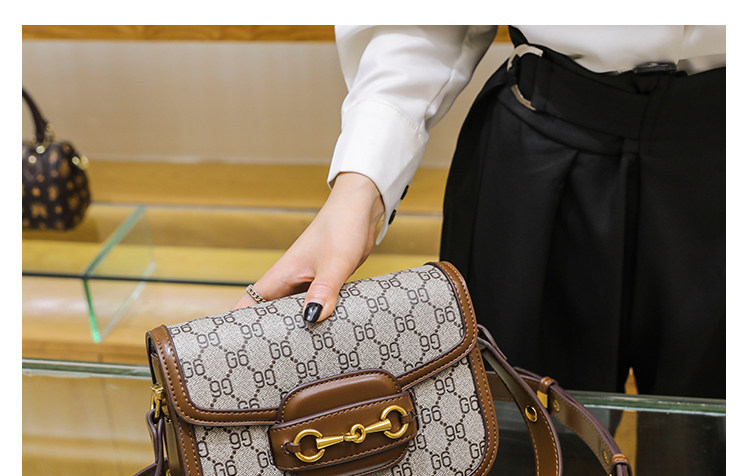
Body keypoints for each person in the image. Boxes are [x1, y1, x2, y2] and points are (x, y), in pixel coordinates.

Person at [234, 25, 726, 401]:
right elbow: (426, 24)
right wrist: (358, 188)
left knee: (719, 468)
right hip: (540, 157)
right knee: (515, 458)